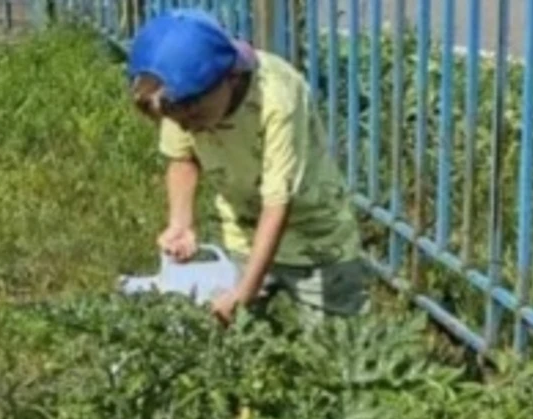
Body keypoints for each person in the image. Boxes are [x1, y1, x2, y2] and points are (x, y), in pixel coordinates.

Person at [127, 11, 367, 326]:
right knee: (245, 343)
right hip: (245, 234)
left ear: (228, 77)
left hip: (318, 240)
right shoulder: (179, 99)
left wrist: (244, 291)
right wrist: (181, 223)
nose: (189, 127)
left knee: (337, 349)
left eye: (195, 118)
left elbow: (278, 201)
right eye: (179, 122)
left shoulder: (277, 95)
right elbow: (182, 158)